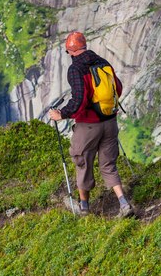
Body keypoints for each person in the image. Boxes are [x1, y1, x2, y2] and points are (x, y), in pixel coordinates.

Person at [49, 31, 134, 218]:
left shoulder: (76, 69)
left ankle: (84, 208)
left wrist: (61, 114)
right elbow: (117, 88)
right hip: (110, 121)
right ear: (84, 46)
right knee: (108, 164)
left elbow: (79, 100)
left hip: (88, 126)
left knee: (82, 162)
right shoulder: (103, 62)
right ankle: (124, 203)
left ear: (71, 51)